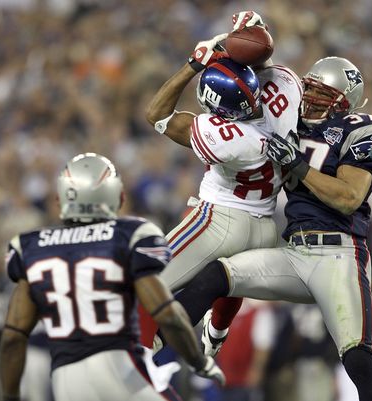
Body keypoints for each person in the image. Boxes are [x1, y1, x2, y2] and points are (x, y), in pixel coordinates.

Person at [170, 47, 372, 400]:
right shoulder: (289, 120)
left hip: (340, 256)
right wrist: (235, 49)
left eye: (324, 94)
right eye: (311, 89)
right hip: (293, 252)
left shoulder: (363, 129)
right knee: (216, 275)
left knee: (358, 361)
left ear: (344, 103)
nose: (311, 100)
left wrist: (299, 166)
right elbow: (249, 90)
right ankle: (162, 350)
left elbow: (348, 197)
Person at [0, 153, 224, 401]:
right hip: (120, 367)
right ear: (117, 195)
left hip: (66, 381)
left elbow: (12, 337)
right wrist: (198, 361)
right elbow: (167, 315)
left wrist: (9, 396)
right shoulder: (130, 236)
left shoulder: (31, 247)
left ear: (60, 198)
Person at [143, 15, 302, 350]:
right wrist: (257, 38)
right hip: (265, 226)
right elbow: (265, 66)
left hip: (220, 220)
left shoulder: (227, 137)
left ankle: (139, 364)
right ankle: (216, 334)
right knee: (229, 279)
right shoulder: (286, 84)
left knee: (145, 285)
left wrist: (194, 65)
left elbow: (156, 115)